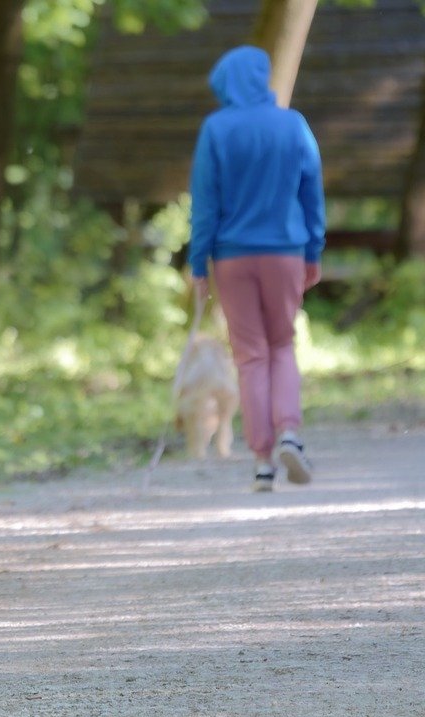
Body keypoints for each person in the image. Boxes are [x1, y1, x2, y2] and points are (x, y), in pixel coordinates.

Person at [188, 45, 326, 493]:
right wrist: (313, 251)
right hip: (286, 251)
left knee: (250, 356)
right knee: (282, 345)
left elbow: (206, 203)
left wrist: (198, 263)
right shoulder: (294, 125)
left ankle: (263, 461)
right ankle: (290, 433)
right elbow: (311, 195)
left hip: (232, 256)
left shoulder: (216, 129)